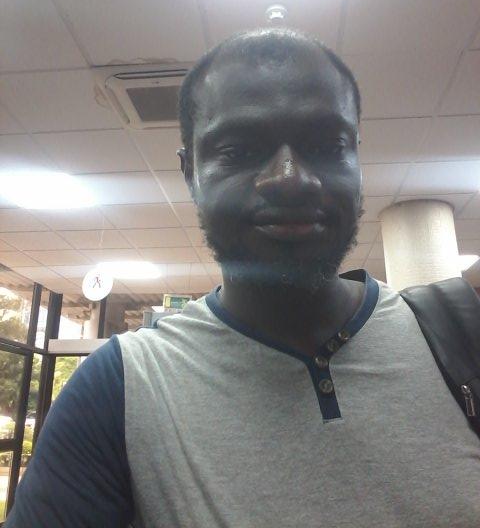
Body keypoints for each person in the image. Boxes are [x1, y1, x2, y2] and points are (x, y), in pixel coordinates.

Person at [6, 28, 480, 527]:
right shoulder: (122, 387)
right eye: (239, 149)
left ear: (358, 161)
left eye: (327, 144)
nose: (290, 178)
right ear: (190, 173)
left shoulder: (458, 337)